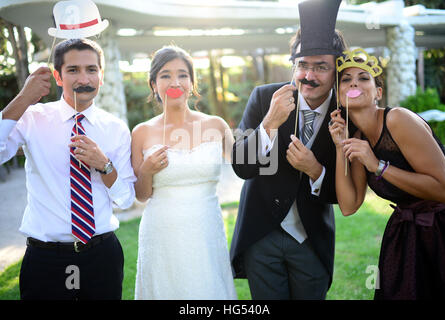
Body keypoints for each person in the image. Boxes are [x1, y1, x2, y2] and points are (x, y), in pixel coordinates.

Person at [230, 0, 352, 299]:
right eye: (302, 65)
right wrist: (270, 122)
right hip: (261, 235)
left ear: (337, 70)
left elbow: (349, 195)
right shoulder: (264, 98)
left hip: (311, 238)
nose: (309, 76)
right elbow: (241, 166)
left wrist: (315, 170)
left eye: (321, 67)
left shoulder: (348, 113)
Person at [0, 38, 136, 300]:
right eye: (73, 70)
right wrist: (24, 98)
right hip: (45, 259)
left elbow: (126, 199)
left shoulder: (115, 128)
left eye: (91, 69)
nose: (83, 77)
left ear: (101, 75)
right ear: (58, 76)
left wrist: (104, 165)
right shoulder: (33, 117)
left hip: (101, 256)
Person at [328, 48, 445, 299]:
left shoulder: (398, 120)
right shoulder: (359, 139)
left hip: (443, 230)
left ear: (378, 92)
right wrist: (341, 147)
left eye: (363, 78)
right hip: (407, 235)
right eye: (346, 79)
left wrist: (378, 166)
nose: (354, 83)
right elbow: (349, 205)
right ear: (339, 96)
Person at [132, 45, 237, 300]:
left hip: (206, 230)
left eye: (182, 74)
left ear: (192, 82)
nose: (175, 82)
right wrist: (146, 170)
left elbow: (248, 166)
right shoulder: (141, 132)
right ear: (153, 84)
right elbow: (141, 195)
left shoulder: (215, 125)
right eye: (165, 75)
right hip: (162, 233)